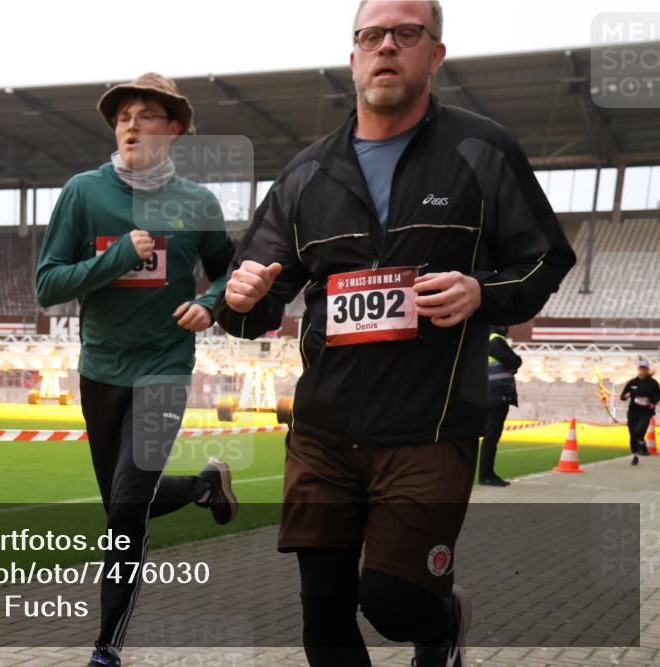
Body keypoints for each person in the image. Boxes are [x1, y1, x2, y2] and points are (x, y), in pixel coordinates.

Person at [213, 1, 575, 665]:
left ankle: (441, 623)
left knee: (391, 600)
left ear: (434, 54)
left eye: (406, 33)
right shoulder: (304, 175)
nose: (387, 46)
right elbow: (250, 301)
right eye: (371, 35)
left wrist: (480, 291)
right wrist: (239, 296)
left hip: (428, 428)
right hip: (324, 430)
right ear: (352, 59)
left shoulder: (481, 150)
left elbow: (547, 258)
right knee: (322, 611)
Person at [35, 72, 238, 667]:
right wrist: (120, 254)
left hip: (164, 366)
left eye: (146, 114)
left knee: (127, 508)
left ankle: (106, 647)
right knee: (122, 502)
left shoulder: (198, 202)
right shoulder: (83, 193)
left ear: (174, 129)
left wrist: (209, 302)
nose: (130, 124)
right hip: (100, 369)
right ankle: (205, 485)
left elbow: (232, 272)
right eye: (123, 115)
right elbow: (48, 285)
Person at [479, 326, 522, 486]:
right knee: (492, 437)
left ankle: (486, 474)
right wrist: (514, 364)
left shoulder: (487, 338)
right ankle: (486, 475)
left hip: (492, 393)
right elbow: (514, 361)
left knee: (490, 436)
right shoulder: (495, 339)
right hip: (497, 394)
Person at [620, 358, 659, 465]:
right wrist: (625, 395)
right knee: (632, 434)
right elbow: (623, 396)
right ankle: (635, 455)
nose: (643, 369)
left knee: (639, 430)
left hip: (646, 411)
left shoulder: (653, 383)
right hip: (633, 411)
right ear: (638, 369)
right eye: (641, 367)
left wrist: (653, 403)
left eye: (645, 368)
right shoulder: (632, 382)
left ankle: (642, 442)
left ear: (647, 369)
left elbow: (657, 395)